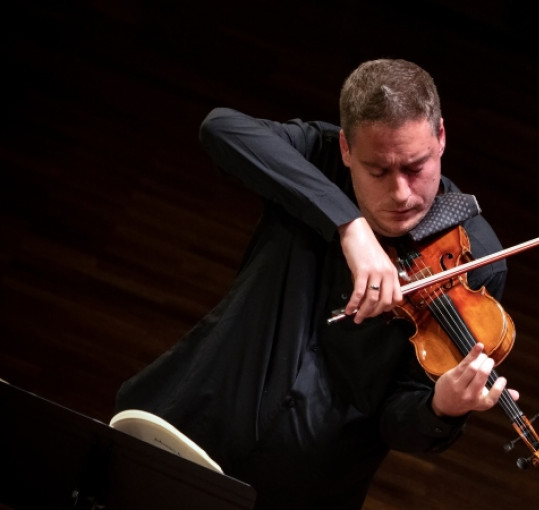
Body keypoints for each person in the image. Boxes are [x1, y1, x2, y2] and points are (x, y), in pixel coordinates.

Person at [114, 58, 513, 510]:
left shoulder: (475, 259)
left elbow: (396, 421)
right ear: (346, 148)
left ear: (440, 138)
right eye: (378, 172)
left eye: (415, 167)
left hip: (303, 492)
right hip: (188, 431)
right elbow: (220, 128)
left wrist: (440, 408)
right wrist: (348, 224)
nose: (401, 193)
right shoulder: (319, 157)